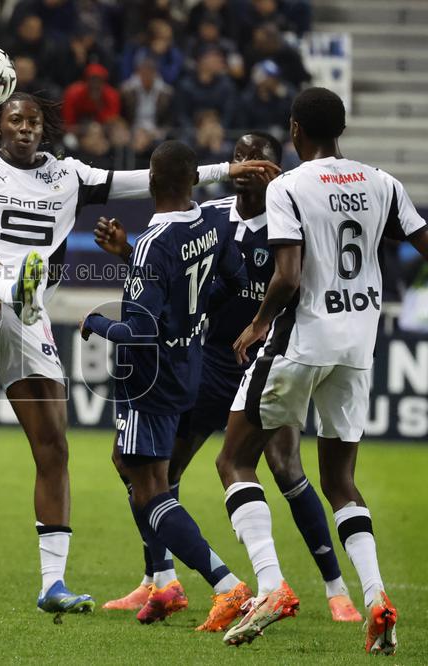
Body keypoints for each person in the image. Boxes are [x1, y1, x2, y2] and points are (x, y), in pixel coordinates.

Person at [0, 91, 278, 613]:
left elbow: (148, 179)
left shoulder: (69, 175)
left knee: (54, 447)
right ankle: (9, 286)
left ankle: (53, 584)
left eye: (33, 121)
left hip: (27, 322)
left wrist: (227, 169)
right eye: (15, 119)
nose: (25, 127)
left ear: (43, 129)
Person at [216, 88, 428, 652]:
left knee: (234, 460)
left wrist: (259, 322)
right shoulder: (382, 183)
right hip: (358, 347)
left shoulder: (288, 186)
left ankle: (270, 586)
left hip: (302, 340)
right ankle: (377, 599)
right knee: (340, 483)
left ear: (295, 130)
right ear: (340, 130)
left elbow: (288, 275)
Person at [97, 132, 363, 624]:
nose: (248, 166)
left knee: (285, 468)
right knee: (159, 471)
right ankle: (159, 578)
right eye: (241, 157)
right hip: (208, 363)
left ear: (277, 171)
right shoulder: (211, 215)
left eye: (260, 159)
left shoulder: (292, 217)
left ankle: (336, 589)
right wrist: (129, 252)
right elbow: (174, 275)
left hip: (269, 358)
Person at [81, 140, 253, 633]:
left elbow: (138, 330)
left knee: (150, 488)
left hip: (148, 378)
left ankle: (225, 584)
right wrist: (188, 315)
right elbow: (234, 279)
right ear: (192, 180)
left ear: (152, 181)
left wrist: (96, 322)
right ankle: (164, 579)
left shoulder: (155, 242)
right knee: (127, 463)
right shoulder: (211, 225)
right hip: (186, 367)